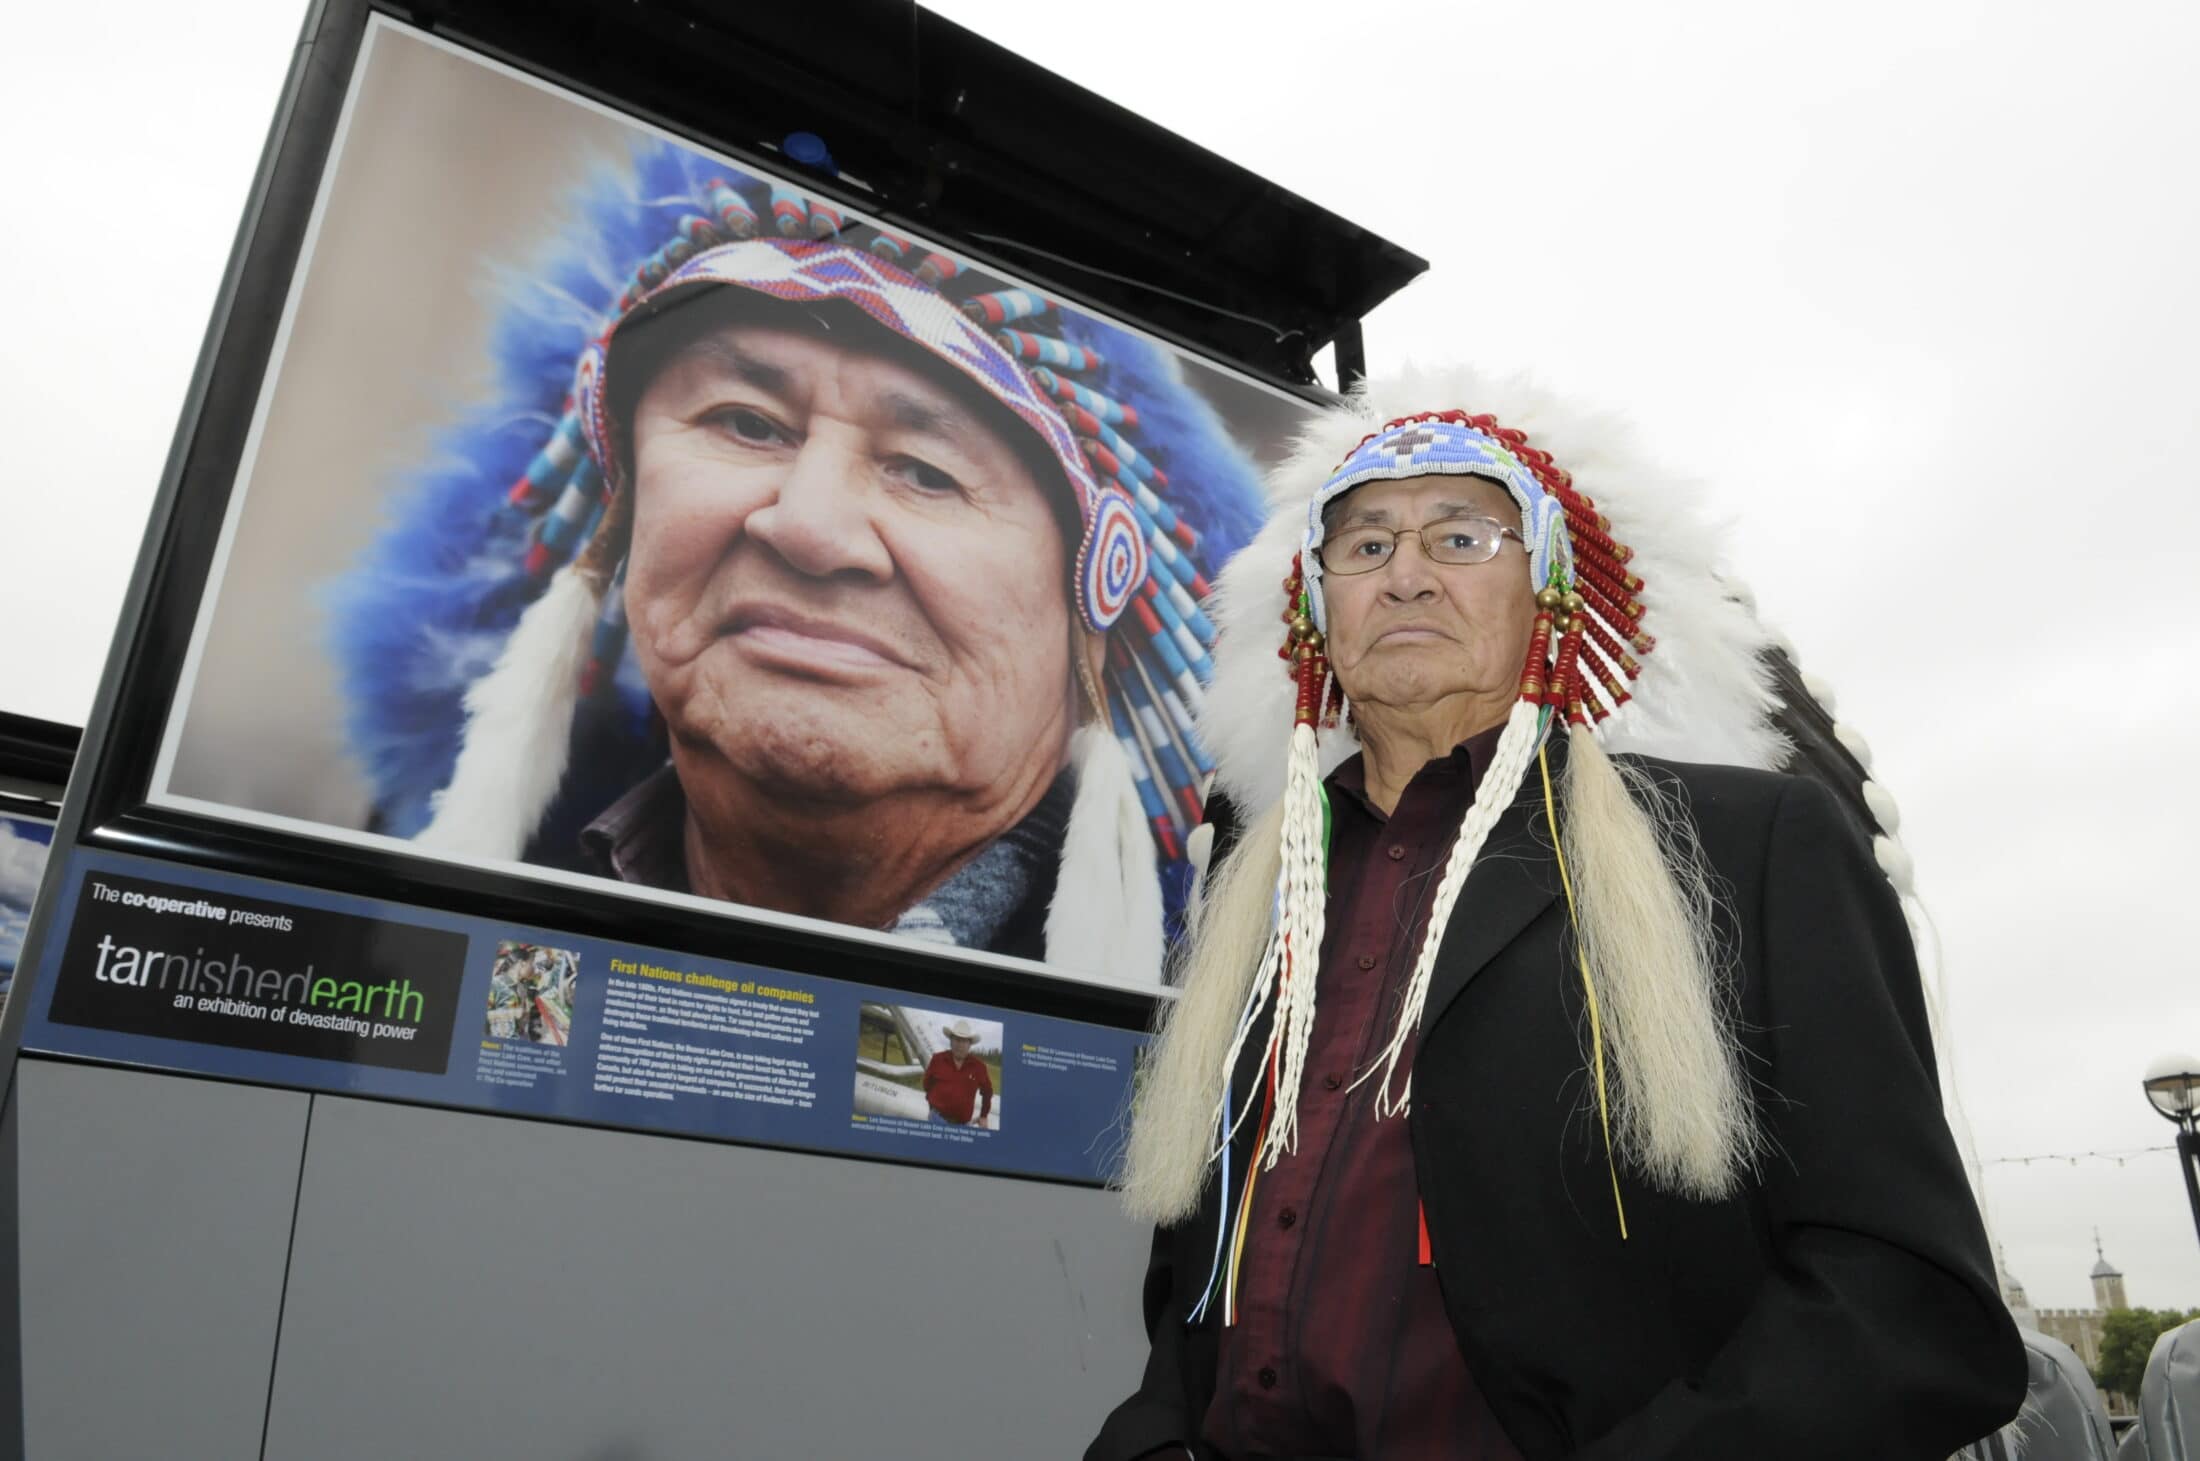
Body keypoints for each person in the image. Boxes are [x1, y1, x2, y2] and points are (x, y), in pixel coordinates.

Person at [1090, 368, 2027, 1461]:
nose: (1405, 578)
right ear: (1312, 613)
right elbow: (1191, 1291)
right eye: (1364, 546)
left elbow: (1902, 1304)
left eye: (1460, 539)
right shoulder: (1258, 899)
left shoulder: (1742, 851)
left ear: (1550, 593)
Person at [332, 144, 1267, 978]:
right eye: (745, 423)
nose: (809, 527)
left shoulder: (1230, 1040)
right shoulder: (413, 895)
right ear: (622, 512)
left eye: (927, 472)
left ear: (1096, 600)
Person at [923, 1019, 995, 1128]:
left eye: (964, 1041)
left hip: (962, 1126)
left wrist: (984, 1115)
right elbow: (927, 1085)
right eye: (956, 1039)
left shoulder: (979, 1067)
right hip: (936, 1120)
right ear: (950, 1041)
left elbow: (987, 1092)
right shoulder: (938, 1059)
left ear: (970, 1044)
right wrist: (931, 1108)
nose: (960, 1044)